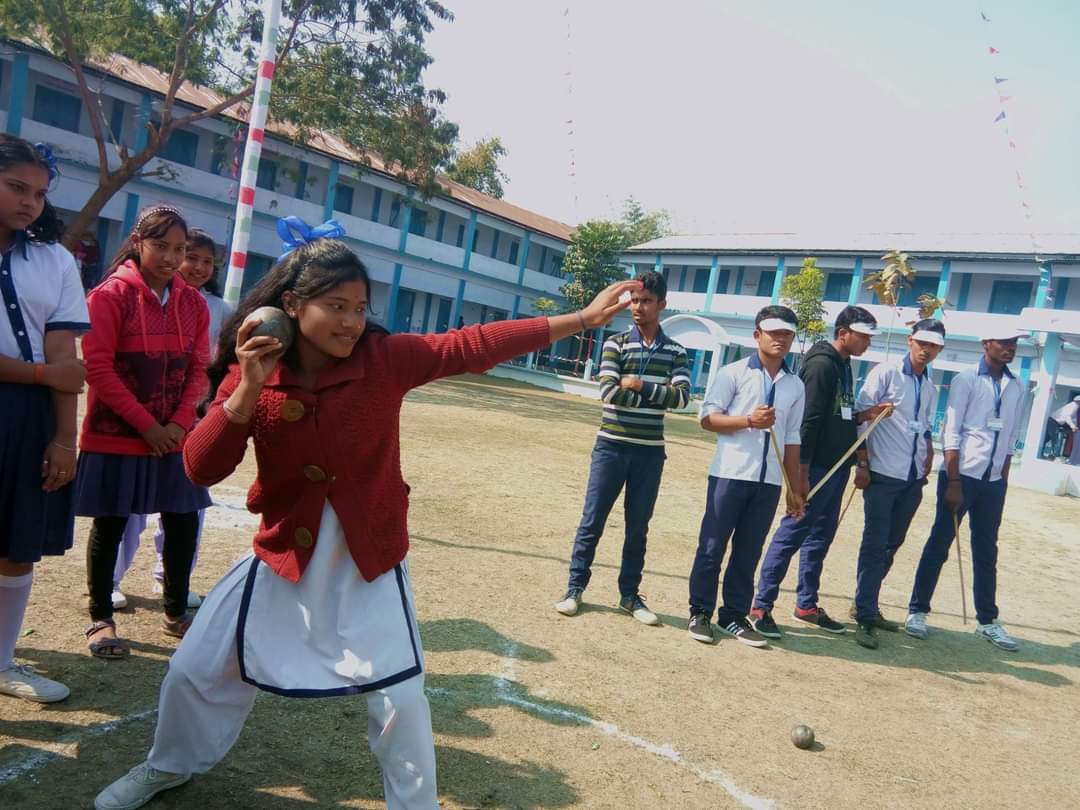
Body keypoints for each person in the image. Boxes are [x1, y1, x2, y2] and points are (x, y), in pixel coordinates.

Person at [93, 227, 638, 810]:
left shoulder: (384, 359)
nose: (352, 322)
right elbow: (201, 467)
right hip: (283, 554)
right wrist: (247, 387)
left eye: (359, 307)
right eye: (336, 306)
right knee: (194, 670)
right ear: (292, 305)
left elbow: (472, 344)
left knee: (400, 699)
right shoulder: (256, 369)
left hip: (368, 559)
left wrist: (581, 320)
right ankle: (168, 764)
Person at [74, 205, 212, 659]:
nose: (171, 258)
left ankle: (175, 611)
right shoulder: (109, 296)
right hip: (118, 433)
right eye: (161, 246)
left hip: (173, 435)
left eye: (180, 249)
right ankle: (100, 619)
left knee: (183, 519)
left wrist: (178, 424)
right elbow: (98, 369)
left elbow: (199, 368)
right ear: (138, 242)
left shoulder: (194, 303)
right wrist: (147, 425)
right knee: (111, 523)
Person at [0, 136, 89, 704]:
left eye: (38, 194)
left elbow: (64, 357)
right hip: (29, 389)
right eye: (16, 187)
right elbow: (53, 370)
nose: (29, 202)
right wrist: (42, 375)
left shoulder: (54, 259)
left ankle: (2, 661)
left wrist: (64, 437)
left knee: (17, 542)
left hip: (28, 418)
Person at [554, 270, 690, 625]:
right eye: (634, 300)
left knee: (637, 528)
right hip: (611, 447)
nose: (637, 307)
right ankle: (574, 588)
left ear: (662, 304)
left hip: (649, 452)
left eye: (646, 301)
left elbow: (682, 399)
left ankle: (629, 596)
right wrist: (656, 394)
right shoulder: (614, 343)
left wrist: (640, 385)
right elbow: (609, 392)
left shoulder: (676, 351)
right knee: (592, 521)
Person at [112, 229, 230, 610]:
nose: (198, 267)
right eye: (190, 256)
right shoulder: (137, 297)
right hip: (143, 420)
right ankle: (111, 579)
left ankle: (172, 578)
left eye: (207, 261)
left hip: (191, 421)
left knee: (186, 506)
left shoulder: (219, 309)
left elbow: (214, 365)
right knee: (130, 504)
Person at [750, 305, 879, 639]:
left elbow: (838, 415)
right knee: (793, 532)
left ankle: (806, 604)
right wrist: (800, 476)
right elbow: (806, 423)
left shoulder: (844, 364)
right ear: (843, 333)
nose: (867, 343)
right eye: (863, 336)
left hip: (836, 467)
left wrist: (865, 416)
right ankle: (760, 606)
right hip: (815, 468)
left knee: (820, 537)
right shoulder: (822, 365)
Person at [687, 306, 806, 647]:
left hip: (769, 482)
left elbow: (792, 438)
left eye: (787, 334)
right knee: (712, 546)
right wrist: (749, 421)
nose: (781, 339)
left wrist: (794, 488)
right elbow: (708, 419)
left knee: (748, 552)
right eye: (774, 332)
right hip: (730, 473)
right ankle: (700, 612)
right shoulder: (733, 373)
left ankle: (733, 615)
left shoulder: (795, 385)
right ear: (757, 335)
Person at [905, 323, 1027, 651]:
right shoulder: (966, 379)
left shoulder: (1017, 385)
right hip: (961, 477)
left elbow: (1012, 434)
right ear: (986, 343)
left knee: (987, 551)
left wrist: (1003, 478)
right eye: (1003, 341)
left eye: (1013, 343)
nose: (1010, 348)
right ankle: (917, 611)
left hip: (993, 482)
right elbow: (952, 432)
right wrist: (954, 480)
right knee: (939, 543)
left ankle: (987, 621)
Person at [849, 319, 945, 649]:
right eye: (922, 343)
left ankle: (865, 601)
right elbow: (860, 418)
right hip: (882, 474)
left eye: (933, 346)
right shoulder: (886, 373)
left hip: (913, 478)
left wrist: (928, 452)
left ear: (939, 349)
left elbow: (925, 427)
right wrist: (862, 463)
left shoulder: (929, 386)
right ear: (910, 341)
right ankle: (865, 615)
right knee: (875, 543)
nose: (926, 350)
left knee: (893, 543)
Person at [1047, 394, 1080, 461]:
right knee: (1056, 439)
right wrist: (1073, 426)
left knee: (1049, 438)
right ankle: (1054, 457)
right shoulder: (1074, 406)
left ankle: (1051, 456)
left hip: (1054, 422)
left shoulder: (1073, 406)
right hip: (1054, 422)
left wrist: (1074, 425)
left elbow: (1073, 418)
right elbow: (1067, 417)